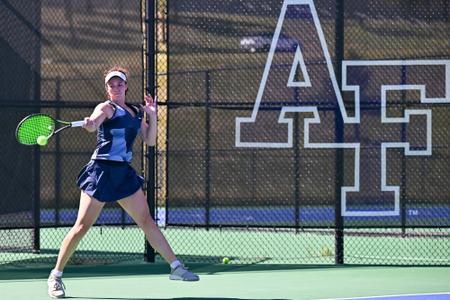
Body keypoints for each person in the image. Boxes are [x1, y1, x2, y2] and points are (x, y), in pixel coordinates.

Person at [47, 66, 199, 298]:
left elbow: (149, 140)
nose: (116, 87)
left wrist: (152, 113)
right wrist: (91, 123)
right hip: (100, 172)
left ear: (126, 86)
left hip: (123, 174)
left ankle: (176, 267)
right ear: (107, 88)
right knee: (81, 227)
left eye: (120, 83)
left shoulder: (136, 112)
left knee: (147, 220)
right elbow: (95, 123)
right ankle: (55, 276)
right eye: (111, 84)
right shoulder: (106, 107)